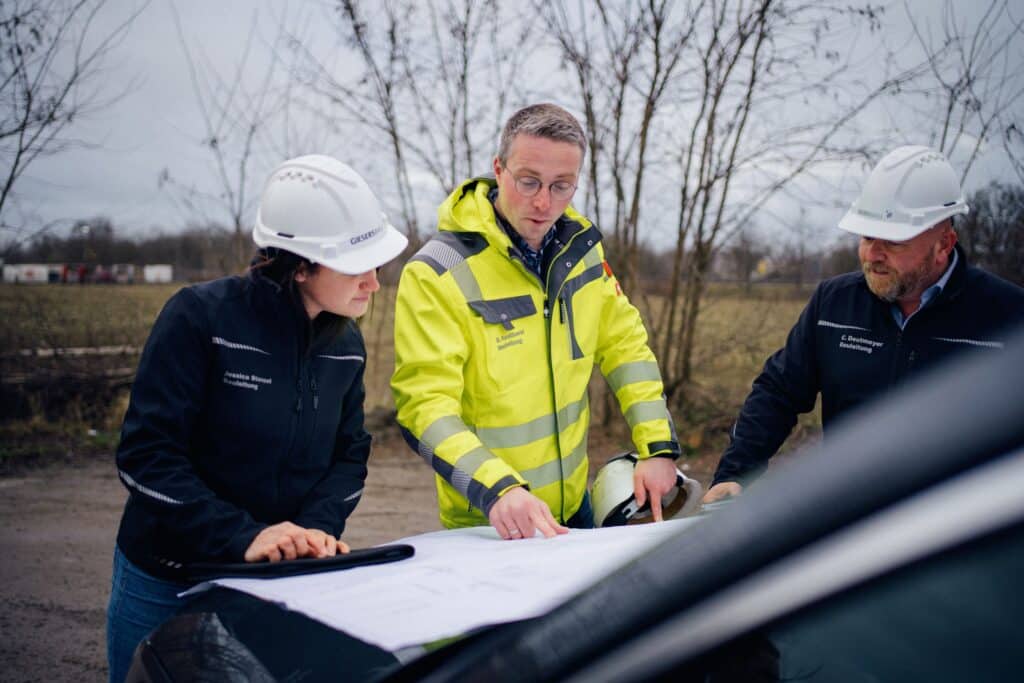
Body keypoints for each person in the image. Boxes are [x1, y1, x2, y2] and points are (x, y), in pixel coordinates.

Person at [106, 154, 408, 682]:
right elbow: (146, 458)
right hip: (165, 579)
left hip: (274, 583)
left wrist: (315, 530)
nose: (374, 283)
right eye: (357, 265)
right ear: (301, 265)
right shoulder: (200, 317)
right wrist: (241, 535)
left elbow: (349, 453)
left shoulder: (347, 345)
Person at [390, 103, 681, 541]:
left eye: (562, 186)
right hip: (491, 522)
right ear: (498, 169)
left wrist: (658, 448)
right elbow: (424, 408)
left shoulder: (582, 254)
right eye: (528, 182)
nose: (544, 203)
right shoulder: (437, 272)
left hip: (575, 508)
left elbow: (627, 350)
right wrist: (499, 490)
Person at [703, 145, 1024, 503]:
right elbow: (778, 391)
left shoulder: (1007, 318)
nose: (873, 254)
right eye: (868, 236)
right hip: (848, 518)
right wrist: (735, 472)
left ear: (943, 244)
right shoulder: (833, 303)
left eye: (893, 241)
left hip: (954, 530)